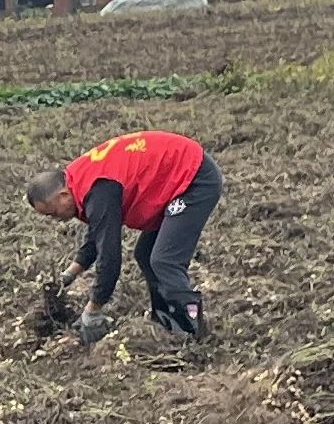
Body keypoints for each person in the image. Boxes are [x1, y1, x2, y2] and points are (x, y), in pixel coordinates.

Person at [26, 126, 218, 341]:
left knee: (165, 260)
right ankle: (166, 321)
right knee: (145, 254)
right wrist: (70, 274)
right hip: (174, 179)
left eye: (53, 213)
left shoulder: (98, 188)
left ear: (62, 195)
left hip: (194, 178)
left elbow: (109, 256)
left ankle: (193, 329)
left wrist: (93, 309)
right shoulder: (78, 182)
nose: (55, 219)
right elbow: (97, 235)